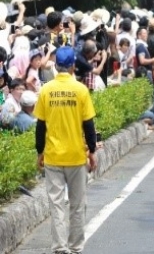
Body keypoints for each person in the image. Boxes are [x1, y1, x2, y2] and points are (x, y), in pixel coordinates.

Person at [34, 46, 97, 254]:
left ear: (56, 65)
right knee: (78, 205)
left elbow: (40, 126)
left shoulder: (46, 90)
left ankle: (60, 248)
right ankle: (76, 247)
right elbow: (89, 125)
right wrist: (92, 151)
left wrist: (40, 151)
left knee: (57, 204)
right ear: (72, 66)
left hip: (53, 156)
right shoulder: (80, 90)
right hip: (76, 156)